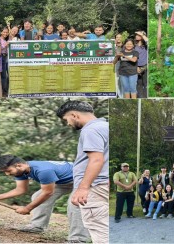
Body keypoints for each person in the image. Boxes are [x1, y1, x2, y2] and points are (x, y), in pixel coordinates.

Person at [0, 155, 89, 242]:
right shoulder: (22, 170)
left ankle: (78, 239)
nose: (7, 174)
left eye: (8, 170)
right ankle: (37, 226)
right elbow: (20, 190)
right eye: (4, 172)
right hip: (63, 180)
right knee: (37, 196)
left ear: (18, 165)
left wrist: (27, 208)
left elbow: (48, 192)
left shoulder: (43, 170)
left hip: (84, 178)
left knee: (75, 203)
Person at [56, 101, 109, 243]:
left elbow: (96, 160)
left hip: (95, 187)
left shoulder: (90, 130)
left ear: (74, 115)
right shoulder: (106, 126)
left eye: (67, 119)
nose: (68, 123)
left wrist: (83, 187)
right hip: (104, 184)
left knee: (100, 231)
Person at [134, 31, 148, 98]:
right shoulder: (133, 45)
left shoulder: (145, 46)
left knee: (146, 83)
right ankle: (140, 97)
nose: (136, 36)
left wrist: (142, 34)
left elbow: (148, 41)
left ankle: (145, 97)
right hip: (136, 67)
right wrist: (136, 67)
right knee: (138, 84)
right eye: (136, 35)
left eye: (138, 35)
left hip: (145, 67)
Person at [0, 27, 10, 96]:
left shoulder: (5, 39)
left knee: (5, 74)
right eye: (4, 32)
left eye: (6, 32)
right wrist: (6, 45)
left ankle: (5, 90)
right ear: (1, 32)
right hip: (1, 57)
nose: (5, 33)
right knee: (3, 75)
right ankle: (3, 91)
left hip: (6, 57)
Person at [114, 33, 124, 98]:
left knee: (122, 81)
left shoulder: (125, 46)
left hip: (123, 66)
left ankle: (122, 96)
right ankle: (117, 95)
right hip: (115, 64)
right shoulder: (113, 46)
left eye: (120, 37)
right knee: (116, 80)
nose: (118, 38)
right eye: (117, 37)